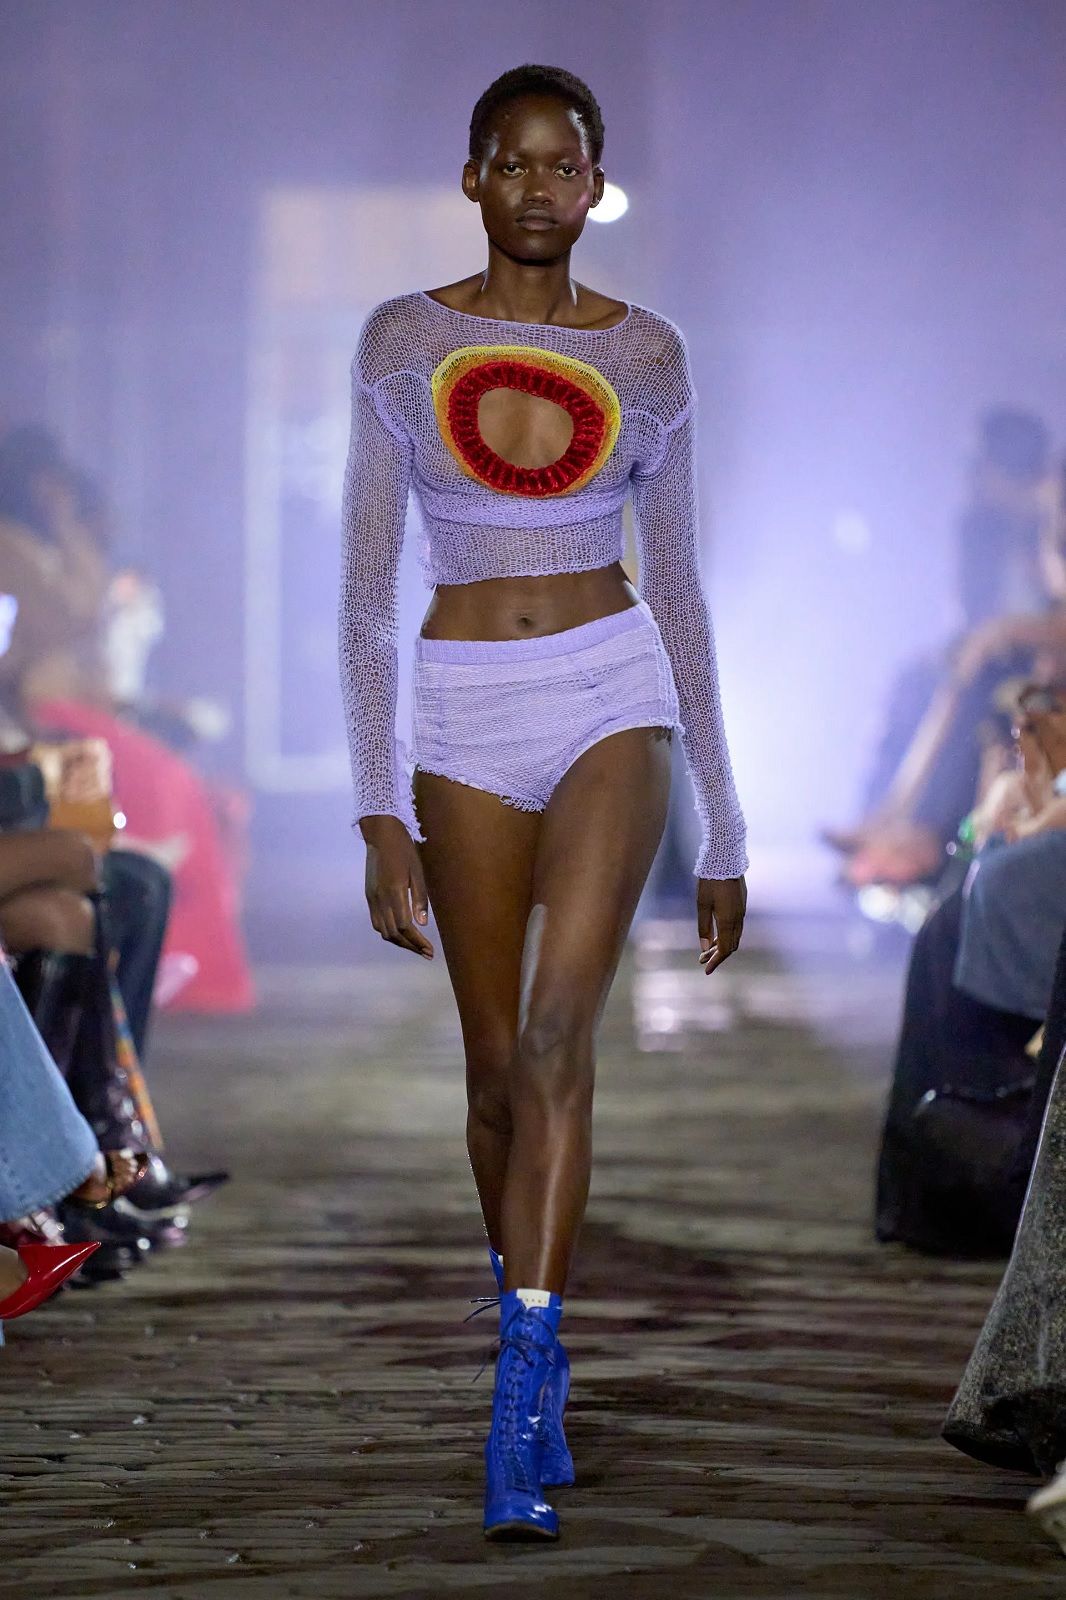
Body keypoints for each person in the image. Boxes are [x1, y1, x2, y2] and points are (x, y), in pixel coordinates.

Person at [338, 64, 748, 1540]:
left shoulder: (649, 353)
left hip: (606, 692)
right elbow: (365, 590)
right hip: (460, 709)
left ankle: (520, 1381)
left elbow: (680, 587)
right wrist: (377, 808)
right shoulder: (402, 342)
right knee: (494, 1071)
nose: (534, 187)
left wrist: (726, 823)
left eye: (560, 164)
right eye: (508, 162)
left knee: (562, 1036)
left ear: (593, 186)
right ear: (471, 179)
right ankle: (536, 1328)